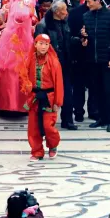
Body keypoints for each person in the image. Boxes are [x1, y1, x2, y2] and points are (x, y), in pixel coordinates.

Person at [82, 0, 110, 133]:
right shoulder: (86, 16)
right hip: (92, 60)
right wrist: (83, 37)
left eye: (89, 2)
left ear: (98, 0)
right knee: (96, 90)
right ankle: (101, 118)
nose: (87, 4)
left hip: (107, 60)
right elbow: (86, 37)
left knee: (108, 91)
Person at [26, 33, 64, 161]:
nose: (43, 47)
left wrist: (57, 102)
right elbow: (24, 77)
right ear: (35, 44)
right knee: (33, 127)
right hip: (35, 97)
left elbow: (59, 83)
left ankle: (53, 146)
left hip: (49, 98)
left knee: (48, 126)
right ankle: (37, 151)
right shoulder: (29, 60)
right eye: (41, 43)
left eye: (46, 44)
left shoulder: (54, 62)